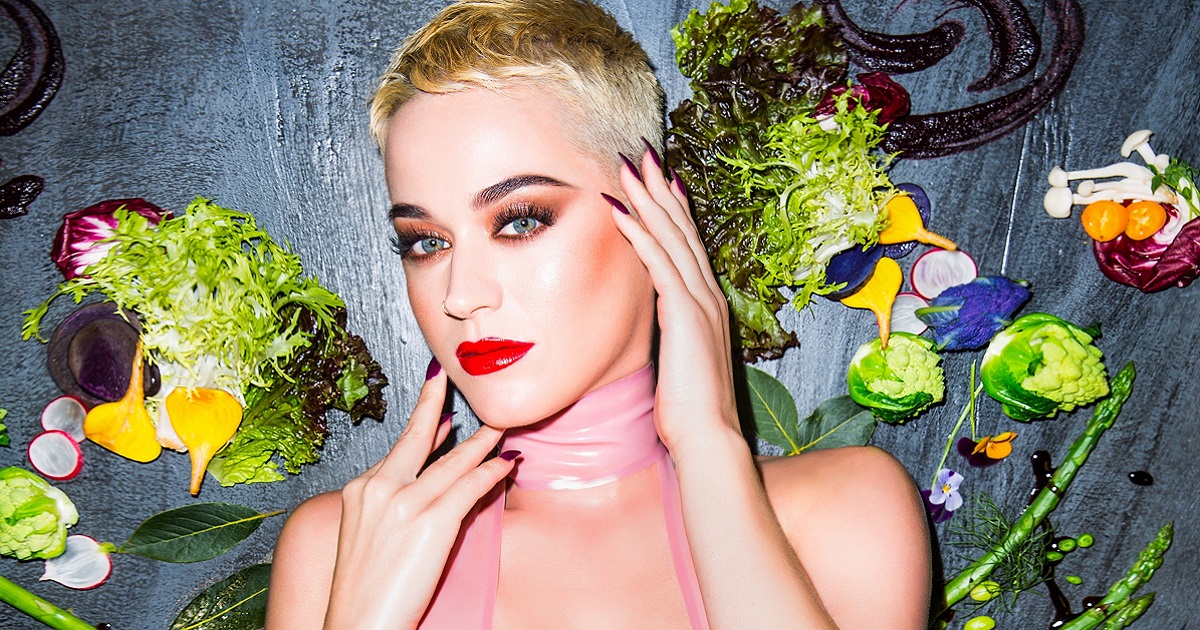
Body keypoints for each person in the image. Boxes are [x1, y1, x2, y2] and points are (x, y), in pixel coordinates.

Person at [266, 0, 931, 627]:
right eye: (426, 242)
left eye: (519, 220)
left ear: (655, 217)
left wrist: (709, 442)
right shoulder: (336, 550)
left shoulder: (843, 512)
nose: (459, 296)